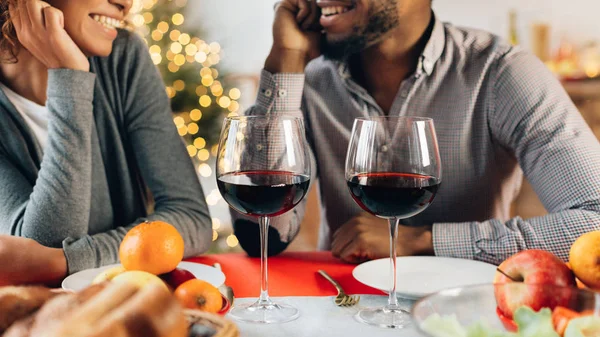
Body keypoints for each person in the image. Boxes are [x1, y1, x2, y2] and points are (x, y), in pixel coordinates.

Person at [232, 0, 600, 265]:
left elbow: (595, 222)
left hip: (468, 308)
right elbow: (262, 234)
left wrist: (423, 241)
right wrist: (285, 59)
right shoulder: (306, 80)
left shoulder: (501, 74)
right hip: (342, 303)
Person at [0, 0, 212, 285]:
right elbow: (43, 246)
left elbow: (192, 218)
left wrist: (65, 261)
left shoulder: (123, 59)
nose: (126, 3)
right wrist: (69, 78)